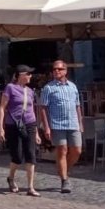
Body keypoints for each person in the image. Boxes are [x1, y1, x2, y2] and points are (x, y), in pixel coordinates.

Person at [0, 65, 40, 197]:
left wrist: (36, 132)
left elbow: (32, 111)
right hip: (14, 125)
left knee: (31, 155)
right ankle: (11, 178)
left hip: (29, 124)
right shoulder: (10, 88)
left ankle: (30, 187)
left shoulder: (30, 91)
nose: (30, 76)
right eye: (28, 74)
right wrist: (0, 128)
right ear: (20, 75)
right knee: (17, 156)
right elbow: (2, 108)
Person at [39, 60, 83, 194]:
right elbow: (43, 108)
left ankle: (64, 169)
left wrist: (80, 123)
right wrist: (46, 127)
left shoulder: (73, 86)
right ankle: (64, 180)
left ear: (65, 71)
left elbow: (77, 106)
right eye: (54, 69)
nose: (56, 71)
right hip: (57, 124)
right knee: (62, 150)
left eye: (59, 69)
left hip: (73, 122)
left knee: (77, 150)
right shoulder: (48, 88)